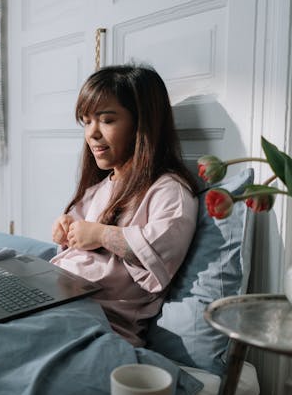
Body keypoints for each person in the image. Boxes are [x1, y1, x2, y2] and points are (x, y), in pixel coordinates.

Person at [51, 64, 199, 346]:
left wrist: (100, 235)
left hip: (98, 321)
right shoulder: (101, 186)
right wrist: (65, 230)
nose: (92, 133)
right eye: (86, 121)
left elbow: (157, 250)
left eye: (106, 120)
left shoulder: (170, 191)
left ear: (141, 124)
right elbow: (76, 232)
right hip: (58, 298)